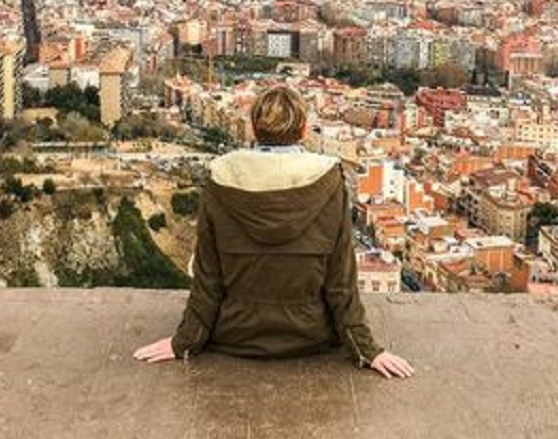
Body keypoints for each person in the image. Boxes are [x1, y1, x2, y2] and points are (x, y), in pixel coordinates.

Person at [133, 85, 414, 379]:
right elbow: (340, 280)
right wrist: (366, 349)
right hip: (311, 338)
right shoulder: (329, 181)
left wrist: (185, 342)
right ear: (304, 129)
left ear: (254, 129)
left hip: (234, 335)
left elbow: (208, 276)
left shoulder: (221, 178)